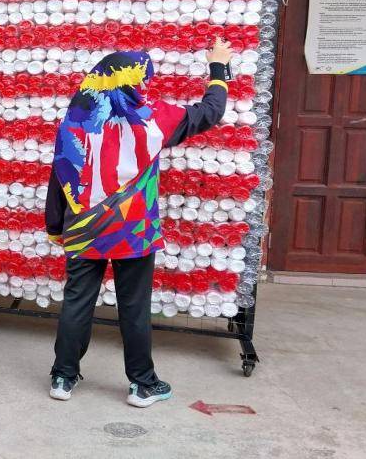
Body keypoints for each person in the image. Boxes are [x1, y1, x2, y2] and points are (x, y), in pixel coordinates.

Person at [45, 39, 233, 408]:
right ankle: (142, 384)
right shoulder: (154, 119)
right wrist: (218, 67)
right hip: (133, 231)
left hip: (84, 229)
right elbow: (211, 111)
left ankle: (63, 377)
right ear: (137, 82)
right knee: (133, 306)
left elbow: (60, 179)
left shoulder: (74, 124)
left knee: (77, 302)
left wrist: (56, 226)